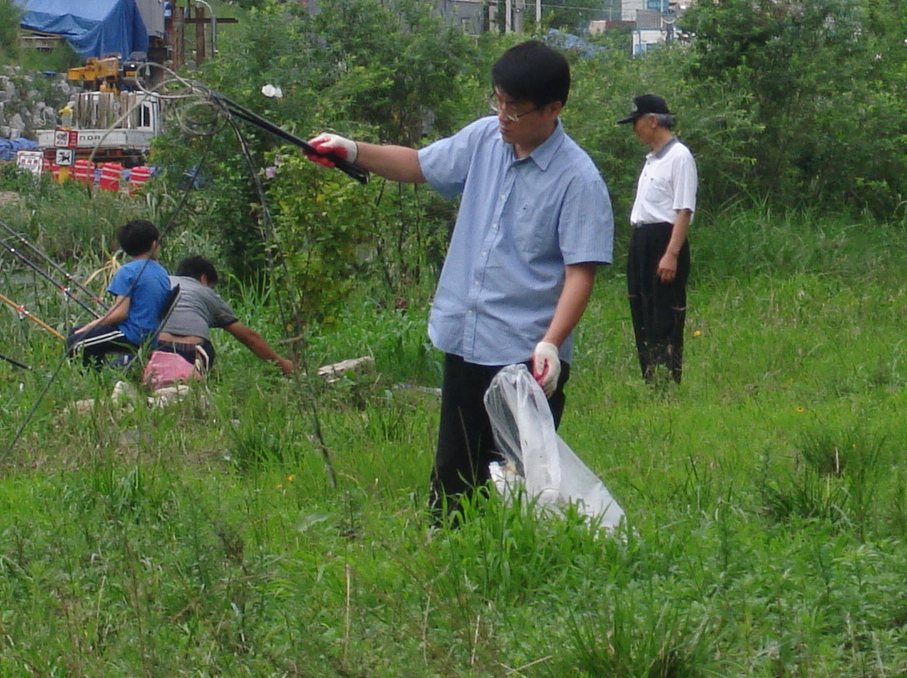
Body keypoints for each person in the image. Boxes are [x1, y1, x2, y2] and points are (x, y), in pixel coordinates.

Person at [304, 39, 613, 518]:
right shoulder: (485, 139)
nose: (503, 116)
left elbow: (580, 273)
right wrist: (352, 150)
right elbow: (419, 164)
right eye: (498, 101)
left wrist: (552, 342)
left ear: (552, 109)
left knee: (523, 481)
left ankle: (526, 569)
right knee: (454, 472)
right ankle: (451, 558)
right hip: (469, 339)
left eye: (515, 108)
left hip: (524, 355)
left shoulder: (578, 180)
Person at [619, 93, 698, 380]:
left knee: (665, 308)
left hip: (664, 240)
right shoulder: (652, 160)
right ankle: (650, 372)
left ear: (652, 121)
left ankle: (668, 372)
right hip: (643, 238)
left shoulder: (679, 157)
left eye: (636, 122)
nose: (634, 129)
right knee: (641, 303)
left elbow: (684, 209)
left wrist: (671, 253)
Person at [143, 255, 297, 379]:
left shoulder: (161, 283)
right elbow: (249, 337)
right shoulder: (207, 293)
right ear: (204, 279)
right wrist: (282, 364)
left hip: (155, 349)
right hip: (193, 353)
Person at [65, 218, 173, 367]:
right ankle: (106, 374)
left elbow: (119, 314)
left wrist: (89, 326)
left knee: (76, 342)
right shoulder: (161, 271)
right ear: (154, 244)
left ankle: (95, 384)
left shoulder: (127, 271)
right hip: (150, 333)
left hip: (133, 334)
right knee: (77, 332)